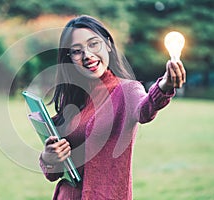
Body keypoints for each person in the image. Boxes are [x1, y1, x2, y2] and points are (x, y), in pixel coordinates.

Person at [39, 15, 186, 200]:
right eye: (77, 51)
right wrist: (48, 158)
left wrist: (165, 85)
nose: (87, 56)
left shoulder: (127, 90)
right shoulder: (73, 101)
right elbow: (53, 174)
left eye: (94, 44)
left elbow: (145, 109)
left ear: (108, 44)